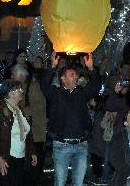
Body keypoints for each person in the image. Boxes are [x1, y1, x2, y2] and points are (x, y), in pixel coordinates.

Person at [40, 52, 100, 186]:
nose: (76, 77)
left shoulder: (81, 92)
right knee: (60, 182)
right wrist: (52, 67)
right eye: (72, 75)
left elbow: (96, 85)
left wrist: (91, 68)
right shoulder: (56, 93)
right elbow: (43, 85)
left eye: (76, 75)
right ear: (63, 78)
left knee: (78, 183)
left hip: (81, 146)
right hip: (62, 146)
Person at [0, 80, 37, 185]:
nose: (22, 91)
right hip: (7, 159)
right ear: (11, 93)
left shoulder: (18, 110)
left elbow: (27, 133)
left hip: (21, 158)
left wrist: (31, 151)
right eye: (19, 89)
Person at [10, 63, 47, 185]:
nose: (11, 77)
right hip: (26, 135)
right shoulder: (21, 88)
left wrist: (21, 111)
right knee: (25, 169)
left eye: (13, 74)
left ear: (21, 76)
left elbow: (40, 107)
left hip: (35, 134)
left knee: (32, 168)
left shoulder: (33, 87)